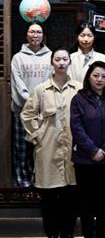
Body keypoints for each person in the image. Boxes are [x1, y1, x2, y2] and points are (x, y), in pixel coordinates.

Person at [21, 48, 82, 238]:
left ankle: (67, 234)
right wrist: (38, 135)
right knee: (49, 200)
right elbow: (27, 115)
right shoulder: (41, 90)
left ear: (69, 62)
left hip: (73, 152)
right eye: (57, 59)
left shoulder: (79, 89)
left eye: (65, 59)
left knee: (70, 198)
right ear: (52, 63)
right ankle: (52, 234)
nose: (61, 62)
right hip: (47, 150)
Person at [70, 61, 105, 238]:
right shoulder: (78, 99)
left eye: (104, 76)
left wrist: (103, 150)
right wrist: (92, 150)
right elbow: (76, 128)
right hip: (84, 160)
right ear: (88, 77)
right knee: (86, 203)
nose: (99, 79)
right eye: (96, 75)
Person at [11, 21, 53, 187]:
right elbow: (18, 86)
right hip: (23, 111)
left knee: (41, 148)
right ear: (26, 35)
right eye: (32, 32)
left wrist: (42, 105)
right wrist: (32, 105)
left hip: (44, 111)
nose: (35, 35)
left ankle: (39, 181)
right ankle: (23, 182)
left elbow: (51, 82)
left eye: (38, 32)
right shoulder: (18, 58)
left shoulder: (50, 56)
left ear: (43, 35)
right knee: (22, 149)